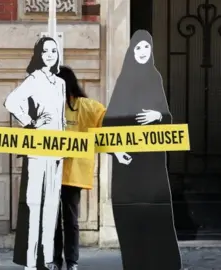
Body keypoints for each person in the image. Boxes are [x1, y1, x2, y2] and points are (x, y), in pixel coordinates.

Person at [102, 30, 181, 270]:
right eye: (138, 48)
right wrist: (115, 151)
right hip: (128, 162)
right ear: (131, 51)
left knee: (156, 211)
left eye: (146, 48)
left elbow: (167, 119)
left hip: (152, 162)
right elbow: (108, 123)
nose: (143, 52)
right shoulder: (124, 80)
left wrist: (158, 114)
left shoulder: (154, 78)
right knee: (131, 213)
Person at [4, 36, 66, 269]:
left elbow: (60, 118)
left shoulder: (60, 83)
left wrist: (65, 145)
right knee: (34, 205)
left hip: (57, 150)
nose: (50, 55)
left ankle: (48, 258)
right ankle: (31, 261)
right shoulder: (34, 79)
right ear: (39, 55)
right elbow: (11, 101)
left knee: (52, 205)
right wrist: (31, 121)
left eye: (54, 51)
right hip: (37, 147)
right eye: (46, 51)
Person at [48, 66, 106, 270]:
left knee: (70, 221)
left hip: (72, 175)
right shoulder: (48, 107)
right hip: (51, 173)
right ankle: (55, 260)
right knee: (53, 222)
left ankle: (71, 261)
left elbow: (107, 120)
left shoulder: (85, 106)